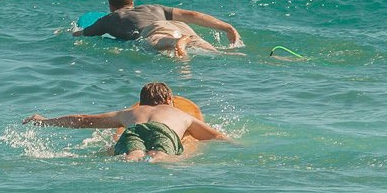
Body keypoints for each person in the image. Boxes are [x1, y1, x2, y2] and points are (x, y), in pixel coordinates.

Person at [25, 82, 233, 161]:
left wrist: (45, 121)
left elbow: (83, 120)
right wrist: (236, 143)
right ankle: (156, 158)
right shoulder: (182, 115)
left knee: (132, 156)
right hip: (163, 132)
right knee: (160, 157)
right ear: (170, 101)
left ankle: (134, 157)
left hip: (134, 131)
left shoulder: (128, 113)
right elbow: (216, 136)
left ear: (140, 102)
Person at [74, 0, 242, 58]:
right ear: (133, 2)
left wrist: (71, 31)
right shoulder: (154, 7)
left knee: (152, 42)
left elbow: (84, 33)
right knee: (212, 52)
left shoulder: (110, 18)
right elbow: (191, 15)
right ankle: (189, 43)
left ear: (111, 6)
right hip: (181, 27)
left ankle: (177, 42)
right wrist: (226, 27)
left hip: (155, 30)